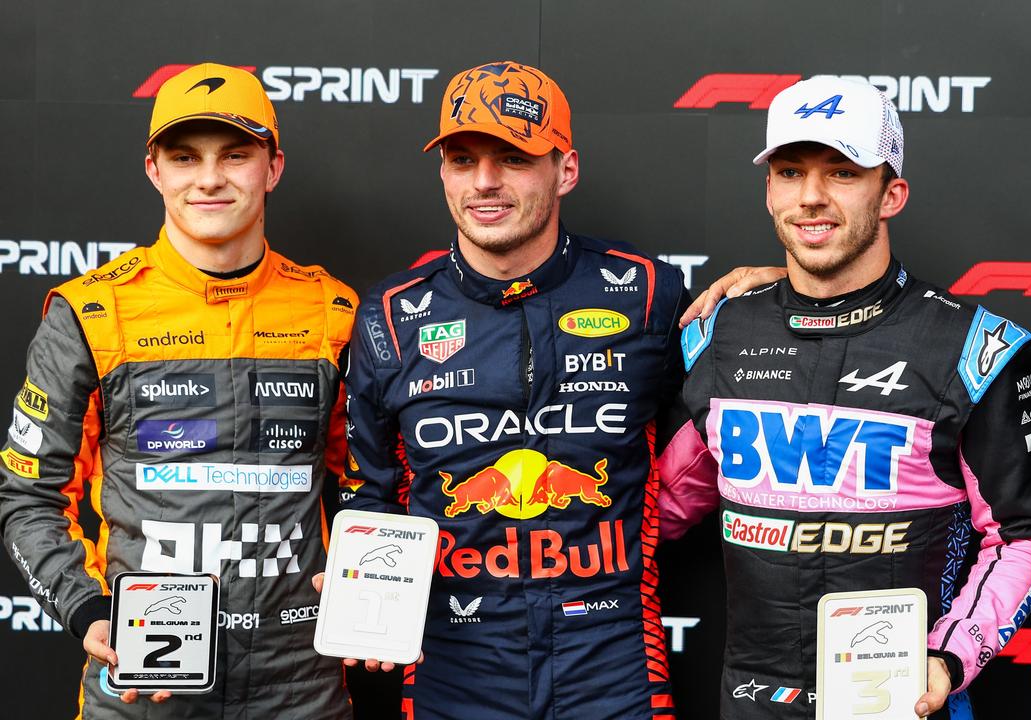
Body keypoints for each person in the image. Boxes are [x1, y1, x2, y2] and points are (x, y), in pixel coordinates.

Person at [656, 77, 1031, 719]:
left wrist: (950, 655)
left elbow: (1019, 538)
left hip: (902, 703)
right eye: (789, 172)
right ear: (769, 190)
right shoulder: (717, 331)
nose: (811, 197)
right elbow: (659, 508)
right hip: (752, 701)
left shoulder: (978, 348)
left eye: (841, 172)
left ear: (891, 193)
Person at [0, 63, 354, 717]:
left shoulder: (331, 311)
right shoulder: (90, 312)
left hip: (301, 685)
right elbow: (30, 495)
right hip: (145, 684)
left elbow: (372, 480)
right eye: (185, 157)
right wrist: (86, 609)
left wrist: (369, 571)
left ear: (272, 168)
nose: (210, 178)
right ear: (154, 170)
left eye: (236, 155)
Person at [338, 60, 688, 719]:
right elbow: (368, 487)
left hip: (611, 658)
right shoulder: (389, 314)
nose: (485, 182)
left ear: (566, 169)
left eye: (514, 157)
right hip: (456, 658)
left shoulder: (649, 292)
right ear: (442, 171)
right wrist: (364, 583)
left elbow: (705, 435)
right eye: (463, 159)